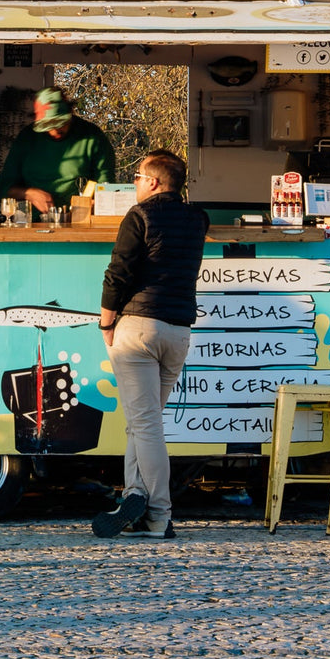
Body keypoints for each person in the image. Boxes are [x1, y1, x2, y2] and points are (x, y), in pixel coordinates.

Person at [92, 150, 209, 539]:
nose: (135, 182)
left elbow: (117, 273)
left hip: (139, 329)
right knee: (141, 424)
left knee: (145, 424)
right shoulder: (198, 218)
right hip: (178, 333)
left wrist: (106, 322)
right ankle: (136, 499)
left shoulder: (139, 216)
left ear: (155, 182)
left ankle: (159, 515)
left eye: (139, 176)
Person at [0, 87, 116, 214]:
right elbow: (2, 188)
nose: (55, 130)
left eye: (60, 123)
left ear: (70, 113)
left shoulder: (93, 137)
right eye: (48, 125)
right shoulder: (26, 138)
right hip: (33, 223)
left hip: (79, 221)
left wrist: (97, 203)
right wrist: (28, 193)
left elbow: (106, 185)